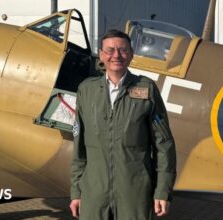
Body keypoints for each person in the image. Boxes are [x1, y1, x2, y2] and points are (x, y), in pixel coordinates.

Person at [70, 29, 176, 220]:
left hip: (134, 193)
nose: (116, 56)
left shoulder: (146, 89)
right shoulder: (86, 90)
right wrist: (76, 192)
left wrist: (162, 190)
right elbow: (79, 149)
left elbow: (164, 145)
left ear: (131, 54)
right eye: (110, 50)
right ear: (101, 55)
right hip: (94, 193)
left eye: (123, 50)